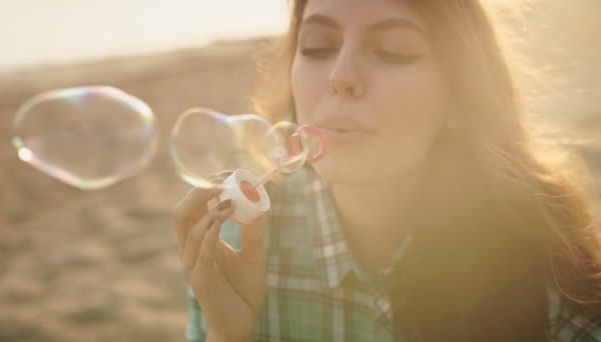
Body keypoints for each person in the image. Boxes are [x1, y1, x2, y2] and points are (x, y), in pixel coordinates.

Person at [173, 0, 601, 341]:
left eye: (394, 50)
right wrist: (229, 336)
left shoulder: (549, 263)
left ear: (459, 94)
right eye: (317, 46)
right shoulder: (241, 239)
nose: (341, 77)